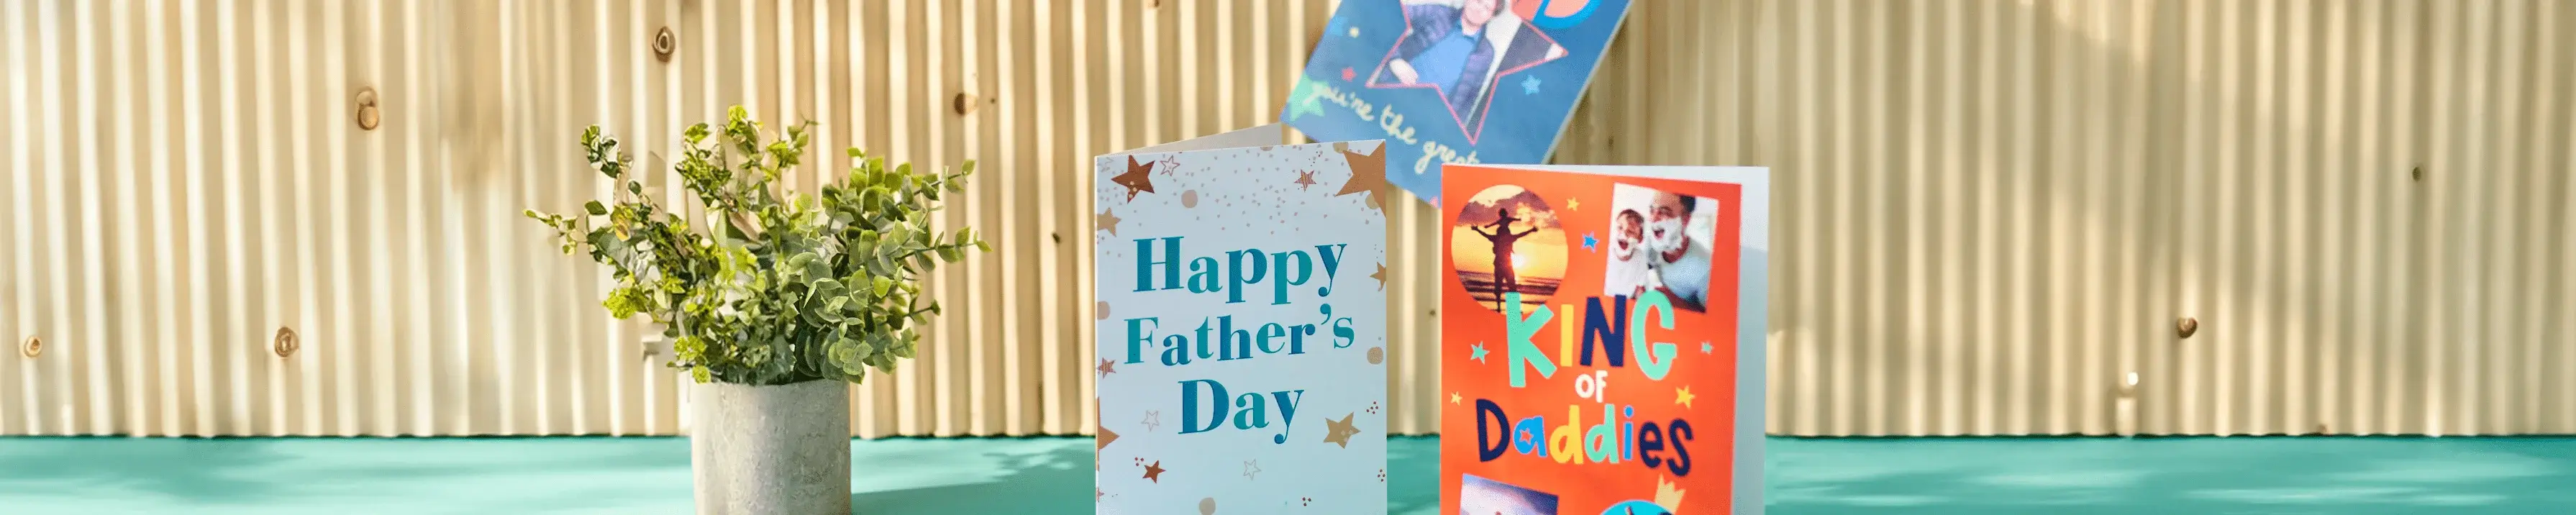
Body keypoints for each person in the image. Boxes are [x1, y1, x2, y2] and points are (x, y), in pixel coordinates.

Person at [1382, 0, 1563, 135]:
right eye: (1478, 1)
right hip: (1391, 93)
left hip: (1427, 120)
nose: (1479, 9)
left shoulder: (1486, 53)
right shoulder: (1437, 13)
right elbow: (1390, 15)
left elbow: (1468, 100)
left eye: (1487, 8)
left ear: (1492, 16)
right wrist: (1394, 60)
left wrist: (1449, 131)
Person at [1644, 191, 1712, 312]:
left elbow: (1712, 319)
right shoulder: (1650, 243)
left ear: (1685, 220)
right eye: (1652, 211)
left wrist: (1674, 302)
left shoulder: (1706, 267)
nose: (1654, 219)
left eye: (1664, 212)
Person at [1473, 205, 1539, 305]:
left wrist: (1477, 230)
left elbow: (1485, 235)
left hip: (1499, 265)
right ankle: (1512, 311)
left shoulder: (1496, 238)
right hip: (1507, 265)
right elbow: (1521, 234)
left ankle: (1499, 307)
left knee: (1499, 286)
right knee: (1511, 287)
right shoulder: (1509, 238)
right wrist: (1531, 230)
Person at [1603, 209, 1651, 299]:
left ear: (1640, 239)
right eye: (1620, 228)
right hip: (1605, 298)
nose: (1624, 234)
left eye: (1631, 231)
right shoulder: (1605, 252)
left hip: (1625, 302)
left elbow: (1640, 289)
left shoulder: (1640, 258)